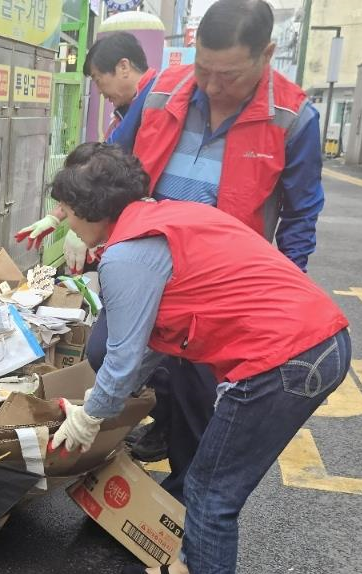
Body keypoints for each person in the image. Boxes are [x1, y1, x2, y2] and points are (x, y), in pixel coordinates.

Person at [46, 142, 349, 574]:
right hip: (312, 343)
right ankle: (186, 568)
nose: (65, 222)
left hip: (284, 358)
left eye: (68, 213)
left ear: (95, 214)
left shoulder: (125, 256)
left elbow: (119, 359)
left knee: (212, 489)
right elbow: (141, 351)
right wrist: (99, 406)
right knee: (211, 473)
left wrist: (92, 414)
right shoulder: (167, 217)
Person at [87, 0, 325, 499]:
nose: (213, 86)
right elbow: (115, 160)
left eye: (230, 75)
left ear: (268, 54)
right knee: (104, 351)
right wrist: (74, 214)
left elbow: (300, 217)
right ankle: (163, 419)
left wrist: (277, 295)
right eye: (204, 69)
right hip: (146, 260)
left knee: (200, 395)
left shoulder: (293, 118)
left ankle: (179, 505)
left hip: (215, 287)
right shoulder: (161, 88)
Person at [16, 31, 156, 273]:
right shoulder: (128, 111)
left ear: (124, 66)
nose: (100, 91)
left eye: (98, 79)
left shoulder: (154, 107)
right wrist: (57, 216)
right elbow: (95, 172)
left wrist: (81, 227)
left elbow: (118, 181)